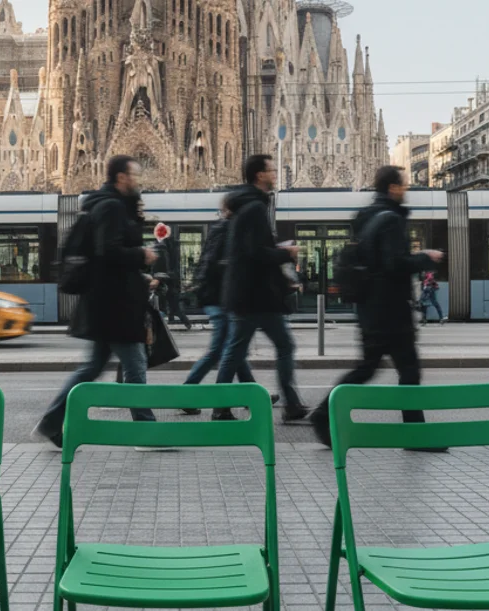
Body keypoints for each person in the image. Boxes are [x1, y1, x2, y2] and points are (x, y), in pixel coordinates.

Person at [310, 166, 445, 452]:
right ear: (393, 188)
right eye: (403, 184)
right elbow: (393, 263)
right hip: (391, 309)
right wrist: (424, 257)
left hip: (371, 307)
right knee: (407, 370)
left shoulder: (367, 216)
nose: (406, 189)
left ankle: (324, 413)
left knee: (368, 368)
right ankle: (415, 435)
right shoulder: (391, 220)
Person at [31, 155, 159, 447]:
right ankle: (147, 432)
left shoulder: (107, 205)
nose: (138, 180)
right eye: (135, 174)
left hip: (106, 304)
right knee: (135, 366)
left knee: (92, 368)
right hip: (116, 306)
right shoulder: (111, 207)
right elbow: (107, 251)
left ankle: (51, 423)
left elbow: (108, 256)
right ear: (121, 177)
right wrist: (142, 255)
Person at [212, 155, 307, 422]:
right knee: (283, 346)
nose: (274, 173)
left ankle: (221, 407)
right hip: (256, 295)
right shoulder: (254, 208)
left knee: (235, 350)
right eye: (270, 169)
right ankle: (291, 405)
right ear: (259, 175)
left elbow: (249, 251)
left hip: (246, 293)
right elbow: (254, 252)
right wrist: (285, 253)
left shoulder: (246, 206)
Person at [180, 199, 278, 416]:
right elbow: (215, 266)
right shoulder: (226, 230)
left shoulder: (223, 229)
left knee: (235, 350)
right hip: (218, 299)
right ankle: (186, 394)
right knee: (221, 351)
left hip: (220, 298)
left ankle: (250, 394)